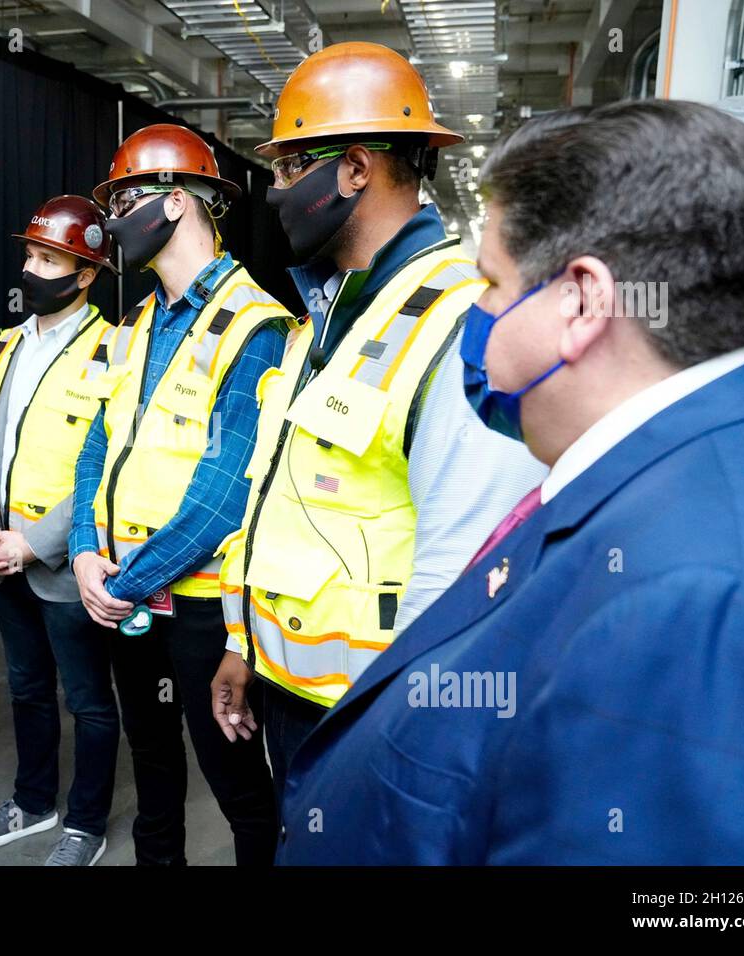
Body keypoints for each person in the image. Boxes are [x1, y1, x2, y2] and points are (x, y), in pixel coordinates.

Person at [280, 100, 744, 865]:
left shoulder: (700, 599)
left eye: (492, 285)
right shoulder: (691, 463)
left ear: (583, 301)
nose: (480, 315)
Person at [210, 42, 546, 805]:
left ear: (355, 169)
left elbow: (470, 574)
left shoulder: (463, 324)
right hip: (291, 692)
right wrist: (244, 642)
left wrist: (409, 745)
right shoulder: (327, 314)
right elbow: (284, 503)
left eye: (293, 166)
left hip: (380, 717)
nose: (275, 191)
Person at [69, 123, 289, 866]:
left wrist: (123, 584)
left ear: (169, 205)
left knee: (236, 781)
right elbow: (98, 441)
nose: (110, 222)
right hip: (127, 597)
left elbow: (224, 494)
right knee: (153, 769)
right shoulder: (134, 325)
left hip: (201, 605)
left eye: (123, 200)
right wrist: (81, 553)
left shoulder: (256, 325)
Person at [0, 196, 121, 866]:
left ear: (85, 273)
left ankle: (85, 823)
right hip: (1, 560)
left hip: (63, 564)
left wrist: (34, 543)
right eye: (30, 254)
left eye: (48, 259)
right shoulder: (5, 345)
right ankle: (33, 802)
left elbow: (107, 470)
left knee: (87, 700)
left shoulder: (116, 350)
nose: (32, 268)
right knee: (25, 688)